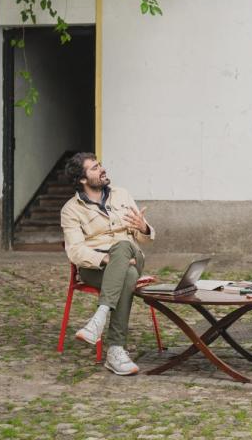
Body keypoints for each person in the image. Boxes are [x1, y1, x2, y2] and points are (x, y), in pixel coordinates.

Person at [60, 152, 154, 376]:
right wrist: (106, 259)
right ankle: (115, 350)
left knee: (123, 245)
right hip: (96, 267)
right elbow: (75, 250)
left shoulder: (122, 195)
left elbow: (146, 236)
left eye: (100, 165)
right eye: (94, 168)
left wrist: (143, 228)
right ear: (83, 179)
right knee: (128, 275)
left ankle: (98, 319)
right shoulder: (70, 210)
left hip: (132, 255)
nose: (102, 170)